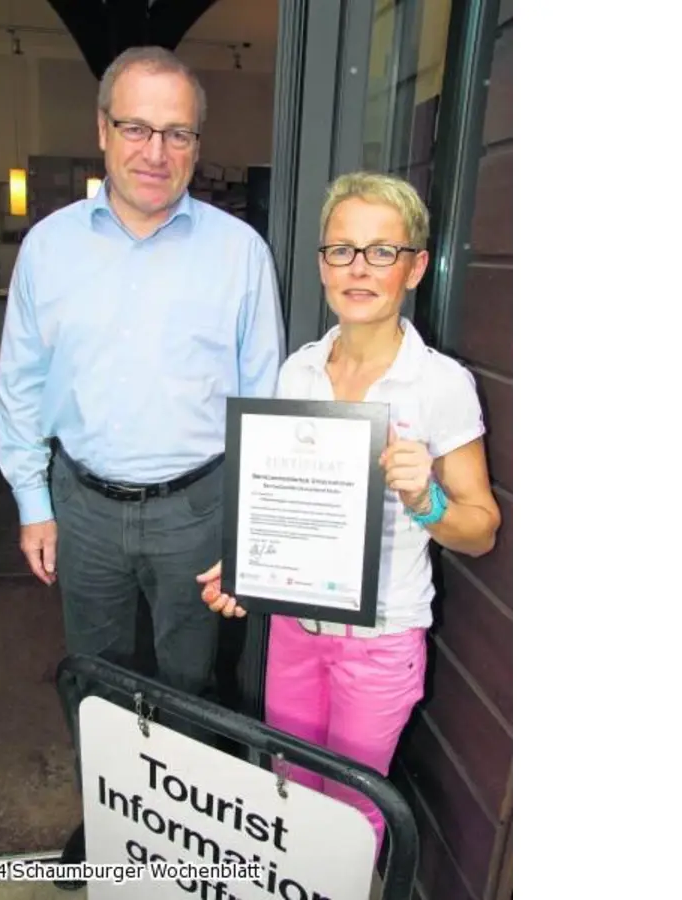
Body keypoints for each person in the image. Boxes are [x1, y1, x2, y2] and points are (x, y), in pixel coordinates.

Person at [0, 45, 285, 886]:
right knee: (95, 678)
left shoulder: (239, 253)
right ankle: (115, 821)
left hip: (198, 507)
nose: (156, 151)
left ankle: (181, 839)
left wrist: (249, 527)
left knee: (193, 681)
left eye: (177, 133)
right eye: (136, 128)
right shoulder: (49, 248)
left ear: (197, 144)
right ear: (102, 130)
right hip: (81, 505)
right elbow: (21, 381)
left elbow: (263, 397)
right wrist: (32, 500)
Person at [195, 171, 502, 855]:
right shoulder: (297, 372)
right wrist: (247, 570)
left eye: (381, 251)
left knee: (353, 816)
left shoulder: (441, 385)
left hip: (381, 640)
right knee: (289, 790)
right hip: (295, 631)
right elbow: (281, 503)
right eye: (342, 250)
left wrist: (427, 500)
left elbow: (480, 530)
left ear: (414, 268)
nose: (359, 268)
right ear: (322, 265)